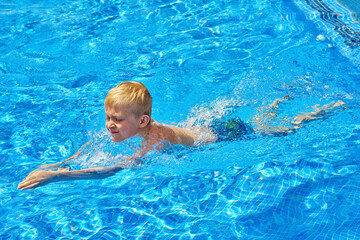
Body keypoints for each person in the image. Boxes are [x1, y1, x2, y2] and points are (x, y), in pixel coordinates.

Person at [18, 81, 345, 190]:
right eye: (108, 118)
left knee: (279, 128)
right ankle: (276, 102)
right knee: (264, 119)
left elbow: (116, 169)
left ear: (142, 120)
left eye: (117, 120)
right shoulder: (135, 127)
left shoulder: (154, 139)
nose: (109, 126)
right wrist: (60, 165)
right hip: (202, 126)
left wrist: (57, 179)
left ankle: (323, 109)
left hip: (224, 136)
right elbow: (85, 151)